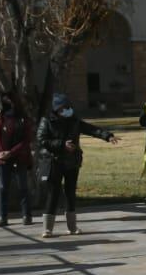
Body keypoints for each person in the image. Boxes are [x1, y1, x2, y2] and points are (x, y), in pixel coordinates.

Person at [35, 93, 119, 238]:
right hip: (54, 162)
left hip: (72, 162)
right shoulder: (47, 121)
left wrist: (107, 136)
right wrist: (62, 144)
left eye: (68, 107)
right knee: (53, 194)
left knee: (70, 194)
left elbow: (91, 129)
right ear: (56, 109)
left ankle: (72, 227)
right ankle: (47, 229)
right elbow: (41, 140)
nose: (67, 110)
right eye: (63, 108)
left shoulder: (74, 120)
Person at [0, 91, 33, 227]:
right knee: (3, 187)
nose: (7, 105)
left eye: (9, 102)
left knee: (22, 186)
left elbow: (26, 140)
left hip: (19, 158)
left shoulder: (23, 119)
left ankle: (26, 215)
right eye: (4, 102)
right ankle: (2, 216)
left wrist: (11, 153)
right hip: (1, 159)